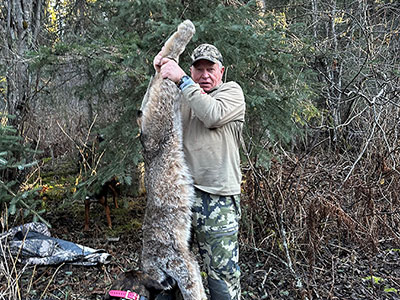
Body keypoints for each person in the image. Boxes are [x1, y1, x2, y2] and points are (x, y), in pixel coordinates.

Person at [153, 44, 245, 300]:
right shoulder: (182, 95)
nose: (205, 75)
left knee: (222, 280)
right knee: (170, 277)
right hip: (178, 201)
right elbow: (151, 120)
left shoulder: (231, 93)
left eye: (210, 69)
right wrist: (158, 75)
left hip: (218, 200)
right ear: (192, 71)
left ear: (221, 71)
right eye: (199, 69)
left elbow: (212, 115)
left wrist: (181, 78)